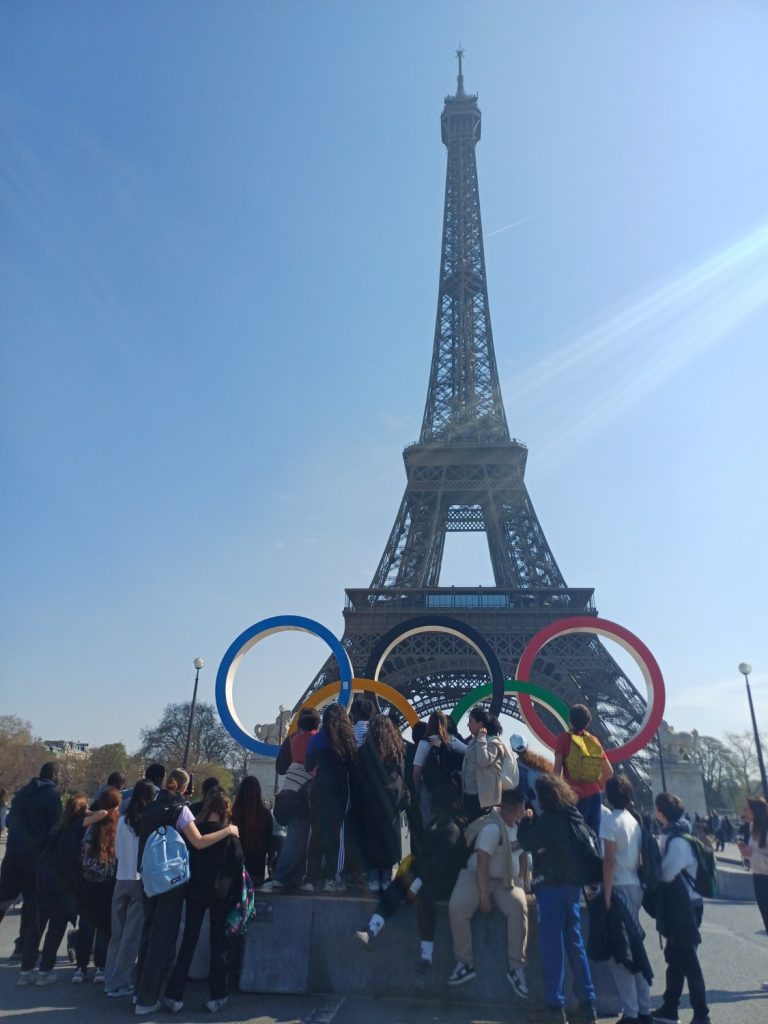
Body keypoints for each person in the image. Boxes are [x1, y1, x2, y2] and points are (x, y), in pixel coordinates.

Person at [133, 768, 239, 1016]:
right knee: (164, 937)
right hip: (173, 880)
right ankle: (148, 998)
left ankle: (143, 991)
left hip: (149, 875)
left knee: (149, 934)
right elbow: (198, 841)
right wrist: (228, 830)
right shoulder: (181, 810)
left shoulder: (150, 807)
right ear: (185, 788)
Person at [354, 782, 466, 971]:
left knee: (425, 898)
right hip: (426, 873)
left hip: (443, 881)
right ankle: (371, 930)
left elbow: (438, 866)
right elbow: (421, 856)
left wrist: (415, 885)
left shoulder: (451, 831)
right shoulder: (433, 824)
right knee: (398, 884)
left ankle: (426, 956)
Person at [518, 774, 597, 1024]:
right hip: (572, 887)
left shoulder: (549, 820)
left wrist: (525, 821)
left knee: (552, 945)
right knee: (574, 941)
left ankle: (554, 1005)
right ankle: (587, 1004)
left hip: (551, 886)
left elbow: (527, 842)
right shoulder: (574, 816)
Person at [164, 788, 243, 1015]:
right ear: (225, 809)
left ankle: (174, 994)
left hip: (195, 890)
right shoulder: (230, 835)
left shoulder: (194, 830)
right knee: (218, 945)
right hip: (220, 892)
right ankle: (218, 995)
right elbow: (238, 862)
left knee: (188, 941)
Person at [446, 788, 529, 998]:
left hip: (504, 880)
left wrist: (524, 884)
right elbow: (482, 861)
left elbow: (522, 855)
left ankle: (516, 967)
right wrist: (484, 896)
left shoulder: (520, 826)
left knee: (519, 907)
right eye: (522, 809)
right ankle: (464, 963)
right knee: (457, 907)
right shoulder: (493, 828)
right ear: (514, 809)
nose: (524, 811)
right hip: (478, 876)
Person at [650, 792, 710, 1024]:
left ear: (661, 812)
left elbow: (666, 874)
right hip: (682, 905)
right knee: (675, 959)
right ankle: (670, 1008)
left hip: (685, 908)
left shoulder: (678, 842)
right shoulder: (675, 835)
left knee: (687, 961)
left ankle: (701, 1014)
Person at [0, 762, 62, 983]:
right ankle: (24, 947)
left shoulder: (22, 793)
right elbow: (56, 827)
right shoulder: (52, 796)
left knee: (3, 900)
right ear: (53, 776)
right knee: (33, 904)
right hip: (36, 857)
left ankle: (23, 946)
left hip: (13, 853)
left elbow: (9, 820)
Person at [36, 794, 107, 985]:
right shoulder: (77, 825)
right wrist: (89, 812)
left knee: (45, 925)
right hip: (67, 882)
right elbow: (103, 813)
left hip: (49, 880)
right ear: (81, 810)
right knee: (58, 926)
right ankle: (45, 970)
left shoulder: (58, 827)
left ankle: (36, 967)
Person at [600, 775, 653, 1024]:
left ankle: (630, 1011)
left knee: (620, 954)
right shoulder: (633, 820)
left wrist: (606, 894)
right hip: (634, 885)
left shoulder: (610, 821)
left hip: (618, 887)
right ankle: (644, 1008)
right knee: (636, 949)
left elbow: (609, 860)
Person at [103, 780, 155, 997]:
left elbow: (116, 851)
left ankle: (109, 978)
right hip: (138, 879)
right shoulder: (147, 821)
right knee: (131, 936)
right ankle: (120, 982)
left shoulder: (122, 820)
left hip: (121, 878)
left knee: (117, 935)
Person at [302, 703, 357, 893]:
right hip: (340, 790)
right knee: (336, 835)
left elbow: (308, 765)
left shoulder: (317, 738)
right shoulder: (347, 739)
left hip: (318, 789)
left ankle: (310, 879)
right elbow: (353, 765)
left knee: (316, 833)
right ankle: (332, 878)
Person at [354, 715, 410, 892]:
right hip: (391, 798)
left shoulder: (364, 751)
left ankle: (373, 877)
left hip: (369, 798)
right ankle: (386, 876)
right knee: (390, 837)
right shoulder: (397, 749)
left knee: (371, 836)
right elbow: (402, 772)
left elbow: (359, 776)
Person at [268, 706, 320, 889]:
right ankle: (299, 876)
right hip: (312, 794)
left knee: (295, 835)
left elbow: (281, 768)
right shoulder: (319, 739)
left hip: (292, 792)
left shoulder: (292, 739)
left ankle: (282, 876)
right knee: (310, 838)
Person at [73, 787, 121, 983]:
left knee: (86, 925)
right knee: (104, 927)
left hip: (87, 881)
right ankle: (100, 966)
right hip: (107, 883)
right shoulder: (117, 826)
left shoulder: (90, 826)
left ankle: (80, 968)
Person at [553, 704, 612, 834]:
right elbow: (609, 772)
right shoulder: (594, 740)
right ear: (587, 723)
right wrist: (598, 787)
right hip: (595, 795)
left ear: (570, 720)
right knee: (593, 835)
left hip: (574, 794)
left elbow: (556, 772)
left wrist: (556, 796)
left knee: (576, 835)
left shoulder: (563, 739)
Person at [460, 708, 517, 821]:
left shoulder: (493, 742)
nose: (468, 725)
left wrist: (481, 739)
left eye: (471, 721)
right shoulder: (473, 742)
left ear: (480, 724)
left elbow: (483, 760)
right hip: (470, 794)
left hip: (483, 799)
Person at [412, 710, 466, 826]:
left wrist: (417, 788)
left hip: (428, 786)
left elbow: (416, 771)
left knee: (428, 821)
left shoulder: (424, 743)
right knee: (449, 820)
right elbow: (468, 752)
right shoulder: (451, 740)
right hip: (447, 785)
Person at [231, 776, 273, 884]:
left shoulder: (234, 814)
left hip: (237, 863)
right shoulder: (266, 815)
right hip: (258, 864)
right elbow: (269, 842)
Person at [737, 796, 768, 933]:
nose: (743, 812)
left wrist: (750, 854)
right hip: (758, 878)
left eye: (746, 809)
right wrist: (745, 853)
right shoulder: (753, 828)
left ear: (756, 811)